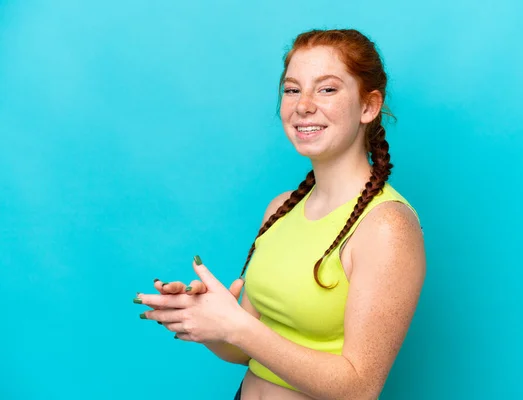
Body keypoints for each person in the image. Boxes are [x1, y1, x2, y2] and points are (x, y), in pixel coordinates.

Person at [134, 28, 426, 400]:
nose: (303, 105)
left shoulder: (386, 226)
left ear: (368, 106)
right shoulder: (281, 208)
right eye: (292, 89)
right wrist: (207, 318)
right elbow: (247, 351)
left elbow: (359, 387)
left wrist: (238, 327)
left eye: (327, 89)